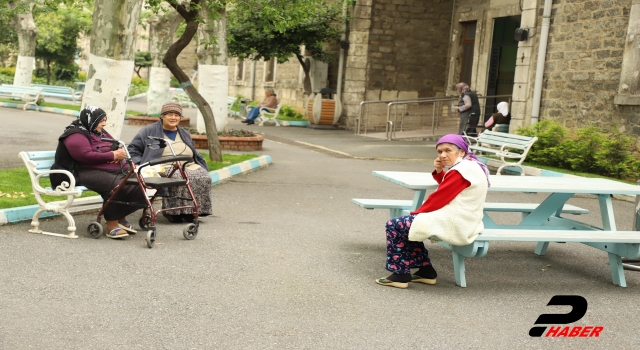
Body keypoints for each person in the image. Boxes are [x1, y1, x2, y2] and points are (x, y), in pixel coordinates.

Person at [375, 134, 490, 289]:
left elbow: (439, 198)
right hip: (465, 219)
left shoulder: (461, 171)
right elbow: (450, 188)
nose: (443, 155)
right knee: (410, 226)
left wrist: (416, 213)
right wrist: (439, 170)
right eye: (439, 151)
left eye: (448, 150)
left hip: (456, 222)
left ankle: (400, 275)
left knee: (394, 225)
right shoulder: (470, 166)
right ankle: (425, 271)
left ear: (461, 151)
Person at [52, 106, 147, 239]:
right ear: (91, 120)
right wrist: (111, 156)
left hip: (102, 169)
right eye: (101, 120)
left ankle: (121, 217)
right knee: (118, 186)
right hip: (79, 172)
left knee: (141, 182)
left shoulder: (99, 132)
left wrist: (116, 155)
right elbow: (85, 156)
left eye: (105, 120)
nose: (104, 123)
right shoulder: (75, 134)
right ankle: (112, 224)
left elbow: (115, 146)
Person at [127, 102, 212, 223]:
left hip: (187, 164)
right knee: (178, 177)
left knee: (203, 176)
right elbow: (133, 149)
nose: (173, 117)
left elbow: (192, 150)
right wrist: (140, 164)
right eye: (169, 114)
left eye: (177, 115)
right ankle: (173, 212)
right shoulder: (149, 131)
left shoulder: (184, 132)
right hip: (163, 165)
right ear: (162, 116)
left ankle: (192, 211)